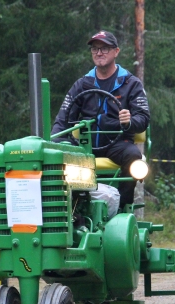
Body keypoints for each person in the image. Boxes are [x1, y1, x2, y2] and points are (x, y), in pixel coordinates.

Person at [51, 30, 150, 209]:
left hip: (117, 144)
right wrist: (55, 143)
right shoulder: (82, 84)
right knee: (57, 157)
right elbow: (63, 119)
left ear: (116, 52)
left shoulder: (130, 83)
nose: (99, 53)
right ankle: (74, 210)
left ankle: (122, 207)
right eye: (95, 49)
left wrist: (128, 121)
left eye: (104, 48)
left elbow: (143, 118)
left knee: (134, 156)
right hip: (86, 145)